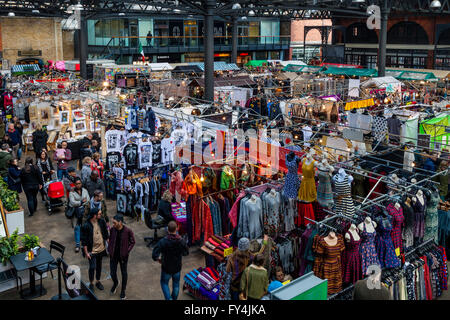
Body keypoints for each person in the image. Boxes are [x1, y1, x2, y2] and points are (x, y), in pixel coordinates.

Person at [152, 220, 189, 300]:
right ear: (177, 229)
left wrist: (158, 259)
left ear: (167, 230)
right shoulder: (181, 241)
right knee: (176, 285)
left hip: (166, 267)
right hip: (177, 267)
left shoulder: (163, 241)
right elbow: (186, 253)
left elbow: (154, 254)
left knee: (164, 283)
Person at [81, 207, 109, 291]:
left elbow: (106, 234)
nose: (101, 215)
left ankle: (98, 281)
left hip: (101, 248)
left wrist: (110, 245)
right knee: (92, 267)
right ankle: (91, 283)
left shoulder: (101, 221)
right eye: (99, 214)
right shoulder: (86, 225)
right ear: (94, 215)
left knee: (99, 266)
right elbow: (84, 241)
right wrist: (86, 253)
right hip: (91, 251)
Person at [108, 214, 135, 300]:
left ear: (120, 222)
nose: (113, 224)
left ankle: (123, 290)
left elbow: (133, 242)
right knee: (112, 272)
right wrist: (109, 249)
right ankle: (115, 283)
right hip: (113, 256)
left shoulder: (128, 231)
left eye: (114, 223)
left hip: (123, 257)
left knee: (124, 273)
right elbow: (110, 239)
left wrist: (127, 251)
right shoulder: (112, 230)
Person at [69, 177, 90, 253]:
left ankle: (85, 243)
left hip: (84, 212)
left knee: (84, 227)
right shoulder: (72, 192)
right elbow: (72, 202)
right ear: (74, 184)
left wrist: (79, 202)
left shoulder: (84, 190)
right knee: (77, 228)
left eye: (79, 183)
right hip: (75, 213)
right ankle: (77, 244)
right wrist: (81, 202)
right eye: (77, 184)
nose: (78, 185)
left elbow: (87, 200)